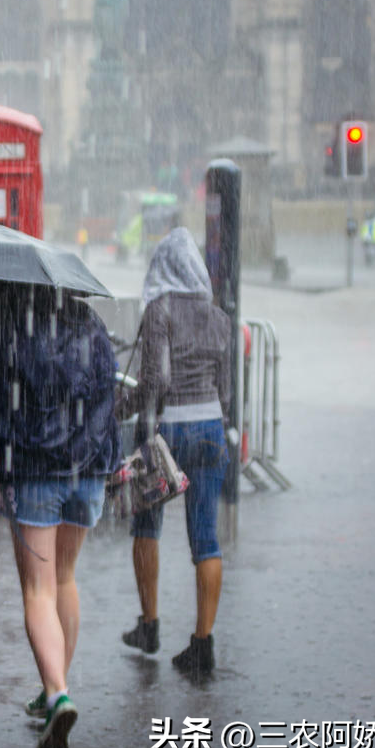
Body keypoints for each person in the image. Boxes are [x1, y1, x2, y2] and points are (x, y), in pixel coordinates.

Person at [0, 282, 119, 748]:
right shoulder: (88, 322)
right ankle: (57, 688)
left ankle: (56, 693)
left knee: (38, 589)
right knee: (66, 578)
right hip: (88, 467)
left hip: (35, 469)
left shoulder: (5, 325)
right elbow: (107, 391)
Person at [121, 227, 232, 676]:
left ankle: (149, 625)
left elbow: (156, 382)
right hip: (209, 429)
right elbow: (225, 391)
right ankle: (202, 645)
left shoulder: (159, 310)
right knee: (205, 538)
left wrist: (120, 407)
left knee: (146, 525)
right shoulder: (219, 317)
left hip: (166, 432)